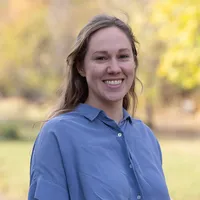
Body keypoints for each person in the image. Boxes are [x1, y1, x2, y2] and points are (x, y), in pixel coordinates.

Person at [28, 14, 171, 200]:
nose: (114, 68)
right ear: (81, 67)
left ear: (134, 63)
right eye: (101, 58)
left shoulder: (146, 136)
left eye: (123, 56)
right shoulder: (58, 135)